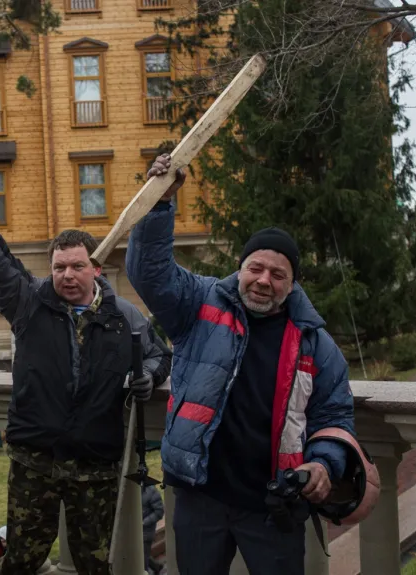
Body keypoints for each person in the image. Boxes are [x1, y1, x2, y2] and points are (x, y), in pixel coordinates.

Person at [125, 154, 355, 575]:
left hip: (274, 504)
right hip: (200, 497)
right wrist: (160, 204)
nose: (264, 280)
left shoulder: (316, 344)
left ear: (292, 283)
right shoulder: (200, 302)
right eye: (256, 268)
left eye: (278, 274)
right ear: (241, 268)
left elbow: (335, 415)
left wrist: (322, 462)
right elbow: (149, 273)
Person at [0, 159, 172, 575]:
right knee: (20, 562)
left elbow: (160, 355)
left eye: (77, 266)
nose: (67, 275)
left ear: (95, 268)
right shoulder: (29, 304)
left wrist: (148, 375)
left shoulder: (122, 316)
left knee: (94, 565)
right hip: (33, 463)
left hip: (96, 468)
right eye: (59, 267)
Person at [141, 483, 164, 575]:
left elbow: (159, 512)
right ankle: (156, 567)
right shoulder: (131, 490)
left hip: (146, 533)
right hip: (134, 532)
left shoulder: (151, 491)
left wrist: (144, 522)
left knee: (143, 560)